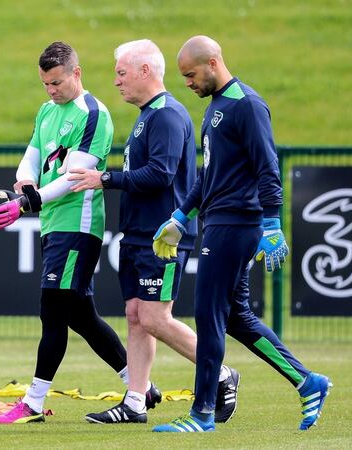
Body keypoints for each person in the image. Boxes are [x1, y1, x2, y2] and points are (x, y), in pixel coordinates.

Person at [151, 35, 331, 433]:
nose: (188, 83)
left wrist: (271, 223)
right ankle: (308, 382)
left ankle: (201, 414)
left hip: (236, 225)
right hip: (219, 222)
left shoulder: (247, 105)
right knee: (235, 317)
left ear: (213, 63)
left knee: (208, 314)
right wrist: (180, 217)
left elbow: (268, 166)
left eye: (191, 74)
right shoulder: (215, 107)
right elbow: (209, 176)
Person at [0, 41, 159, 424]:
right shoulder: (47, 111)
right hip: (53, 224)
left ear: (76, 73)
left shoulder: (93, 114)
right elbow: (32, 153)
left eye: (57, 83)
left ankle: (32, 403)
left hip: (77, 227)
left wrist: (26, 204)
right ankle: (141, 386)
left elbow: (73, 178)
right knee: (81, 315)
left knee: (52, 310)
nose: (51, 91)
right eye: (45, 84)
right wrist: (25, 181)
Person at [68, 39, 239, 425]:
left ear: (146, 71)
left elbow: (161, 174)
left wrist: (104, 178)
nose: (116, 81)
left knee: (155, 318)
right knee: (134, 315)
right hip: (137, 235)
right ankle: (134, 402)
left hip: (161, 239)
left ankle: (222, 372)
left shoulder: (167, 115)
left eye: (122, 73)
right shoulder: (149, 115)